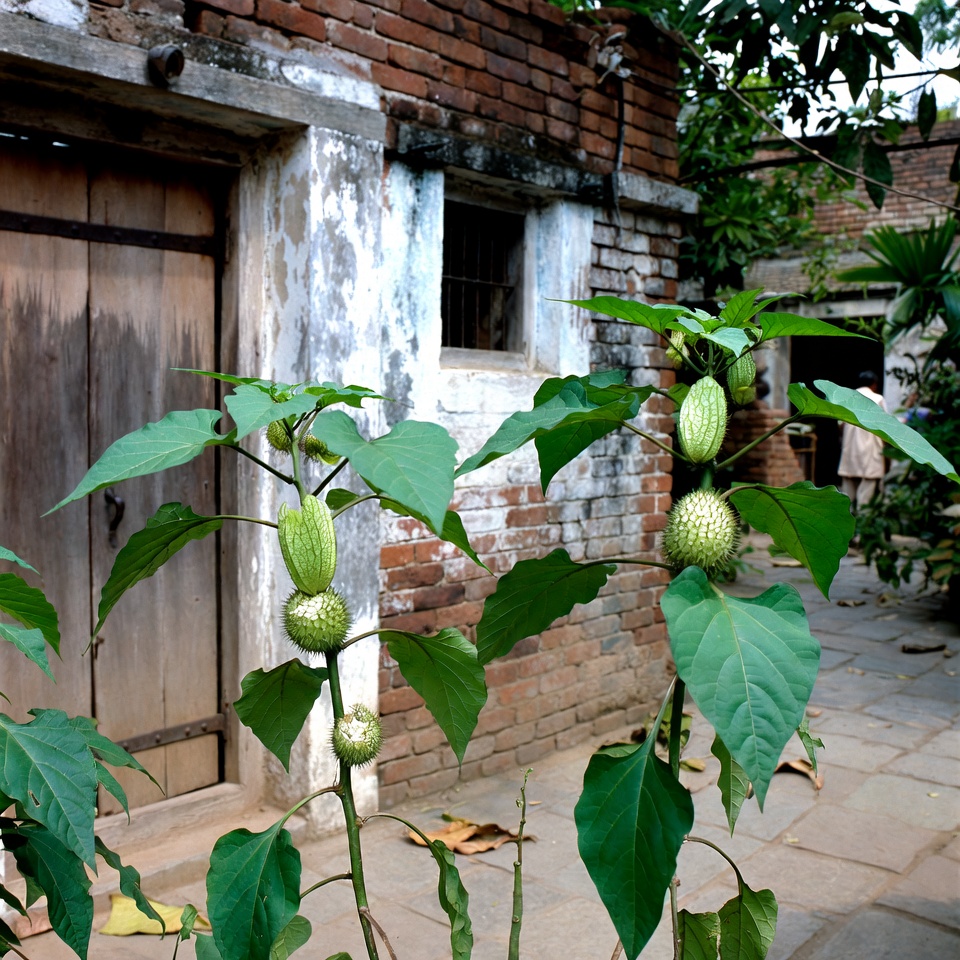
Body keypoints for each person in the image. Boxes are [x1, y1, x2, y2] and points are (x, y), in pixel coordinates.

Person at [838, 370, 887, 512]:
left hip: (850, 452)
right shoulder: (878, 399)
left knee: (847, 496)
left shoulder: (847, 399)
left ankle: (846, 530)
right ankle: (862, 531)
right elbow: (886, 427)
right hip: (871, 452)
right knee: (865, 497)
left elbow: (840, 426)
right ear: (874, 385)